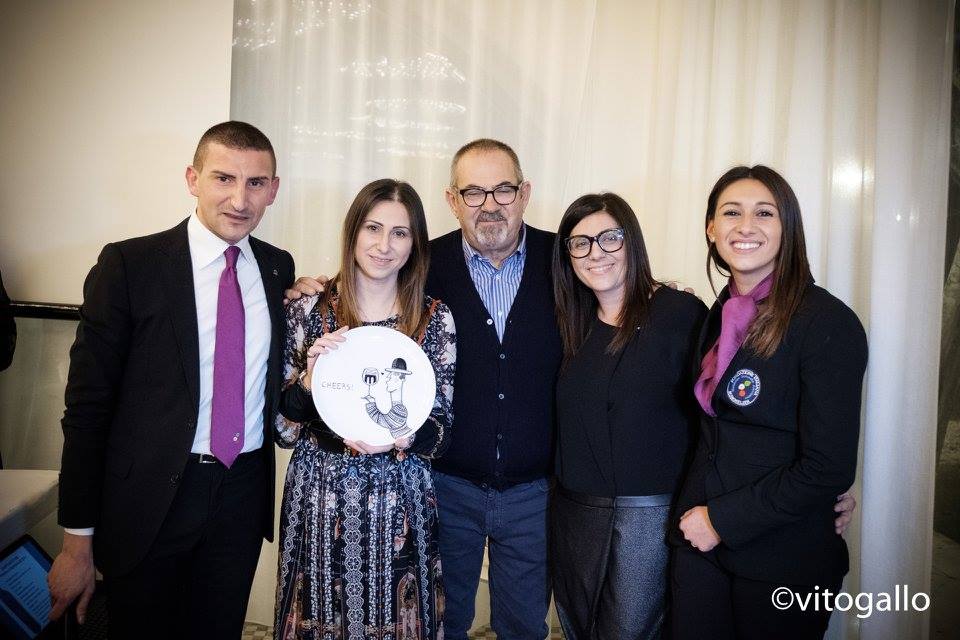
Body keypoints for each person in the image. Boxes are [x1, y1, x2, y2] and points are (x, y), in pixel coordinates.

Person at [285, 141, 858, 640]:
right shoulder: (422, 263)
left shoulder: (563, 261)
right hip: (449, 485)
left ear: (525, 192)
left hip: (538, 493)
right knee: (445, 619)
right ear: (453, 199)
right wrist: (316, 286)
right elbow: (370, 285)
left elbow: (639, 324)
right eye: (474, 192)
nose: (490, 204)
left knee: (525, 625)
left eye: (503, 189)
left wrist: (811, 488)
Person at [47, 121, 294, 639]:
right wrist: (76, 540)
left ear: (273, 189)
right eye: (224, 178)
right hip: (150, 500)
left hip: (241, 495)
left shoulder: (277, 269)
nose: (239, 199)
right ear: (193, 179)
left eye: (255, 183)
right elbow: (87, 409)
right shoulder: (130, 266)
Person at [671, 165, 868, 640]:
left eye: (765, 213)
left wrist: (722, 520)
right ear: (711, 228)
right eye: (731, 212)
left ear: (789, 228)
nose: (745, 226)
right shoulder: (715, 315)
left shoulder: (827, 323)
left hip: (783, 557)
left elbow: (827, 468)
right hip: (699, 549)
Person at [273, 178, 456, 639]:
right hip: (319, 496)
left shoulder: (435, 318)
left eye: (400, 233)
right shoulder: (307, 310)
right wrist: (310, 383)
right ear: (353, 232)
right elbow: (283, 428)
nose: (383, 245)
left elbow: (443, 431)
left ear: (415, 244)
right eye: (373, 228)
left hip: (401, 502)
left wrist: (408, 435)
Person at [550, 192, 706, 639]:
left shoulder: (680, 314)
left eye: (609, 238)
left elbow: (718, 419)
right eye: (580, 243)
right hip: (574, 515)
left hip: (649, 520)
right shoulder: (570, 322)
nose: (595, 252)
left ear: (632, 241)